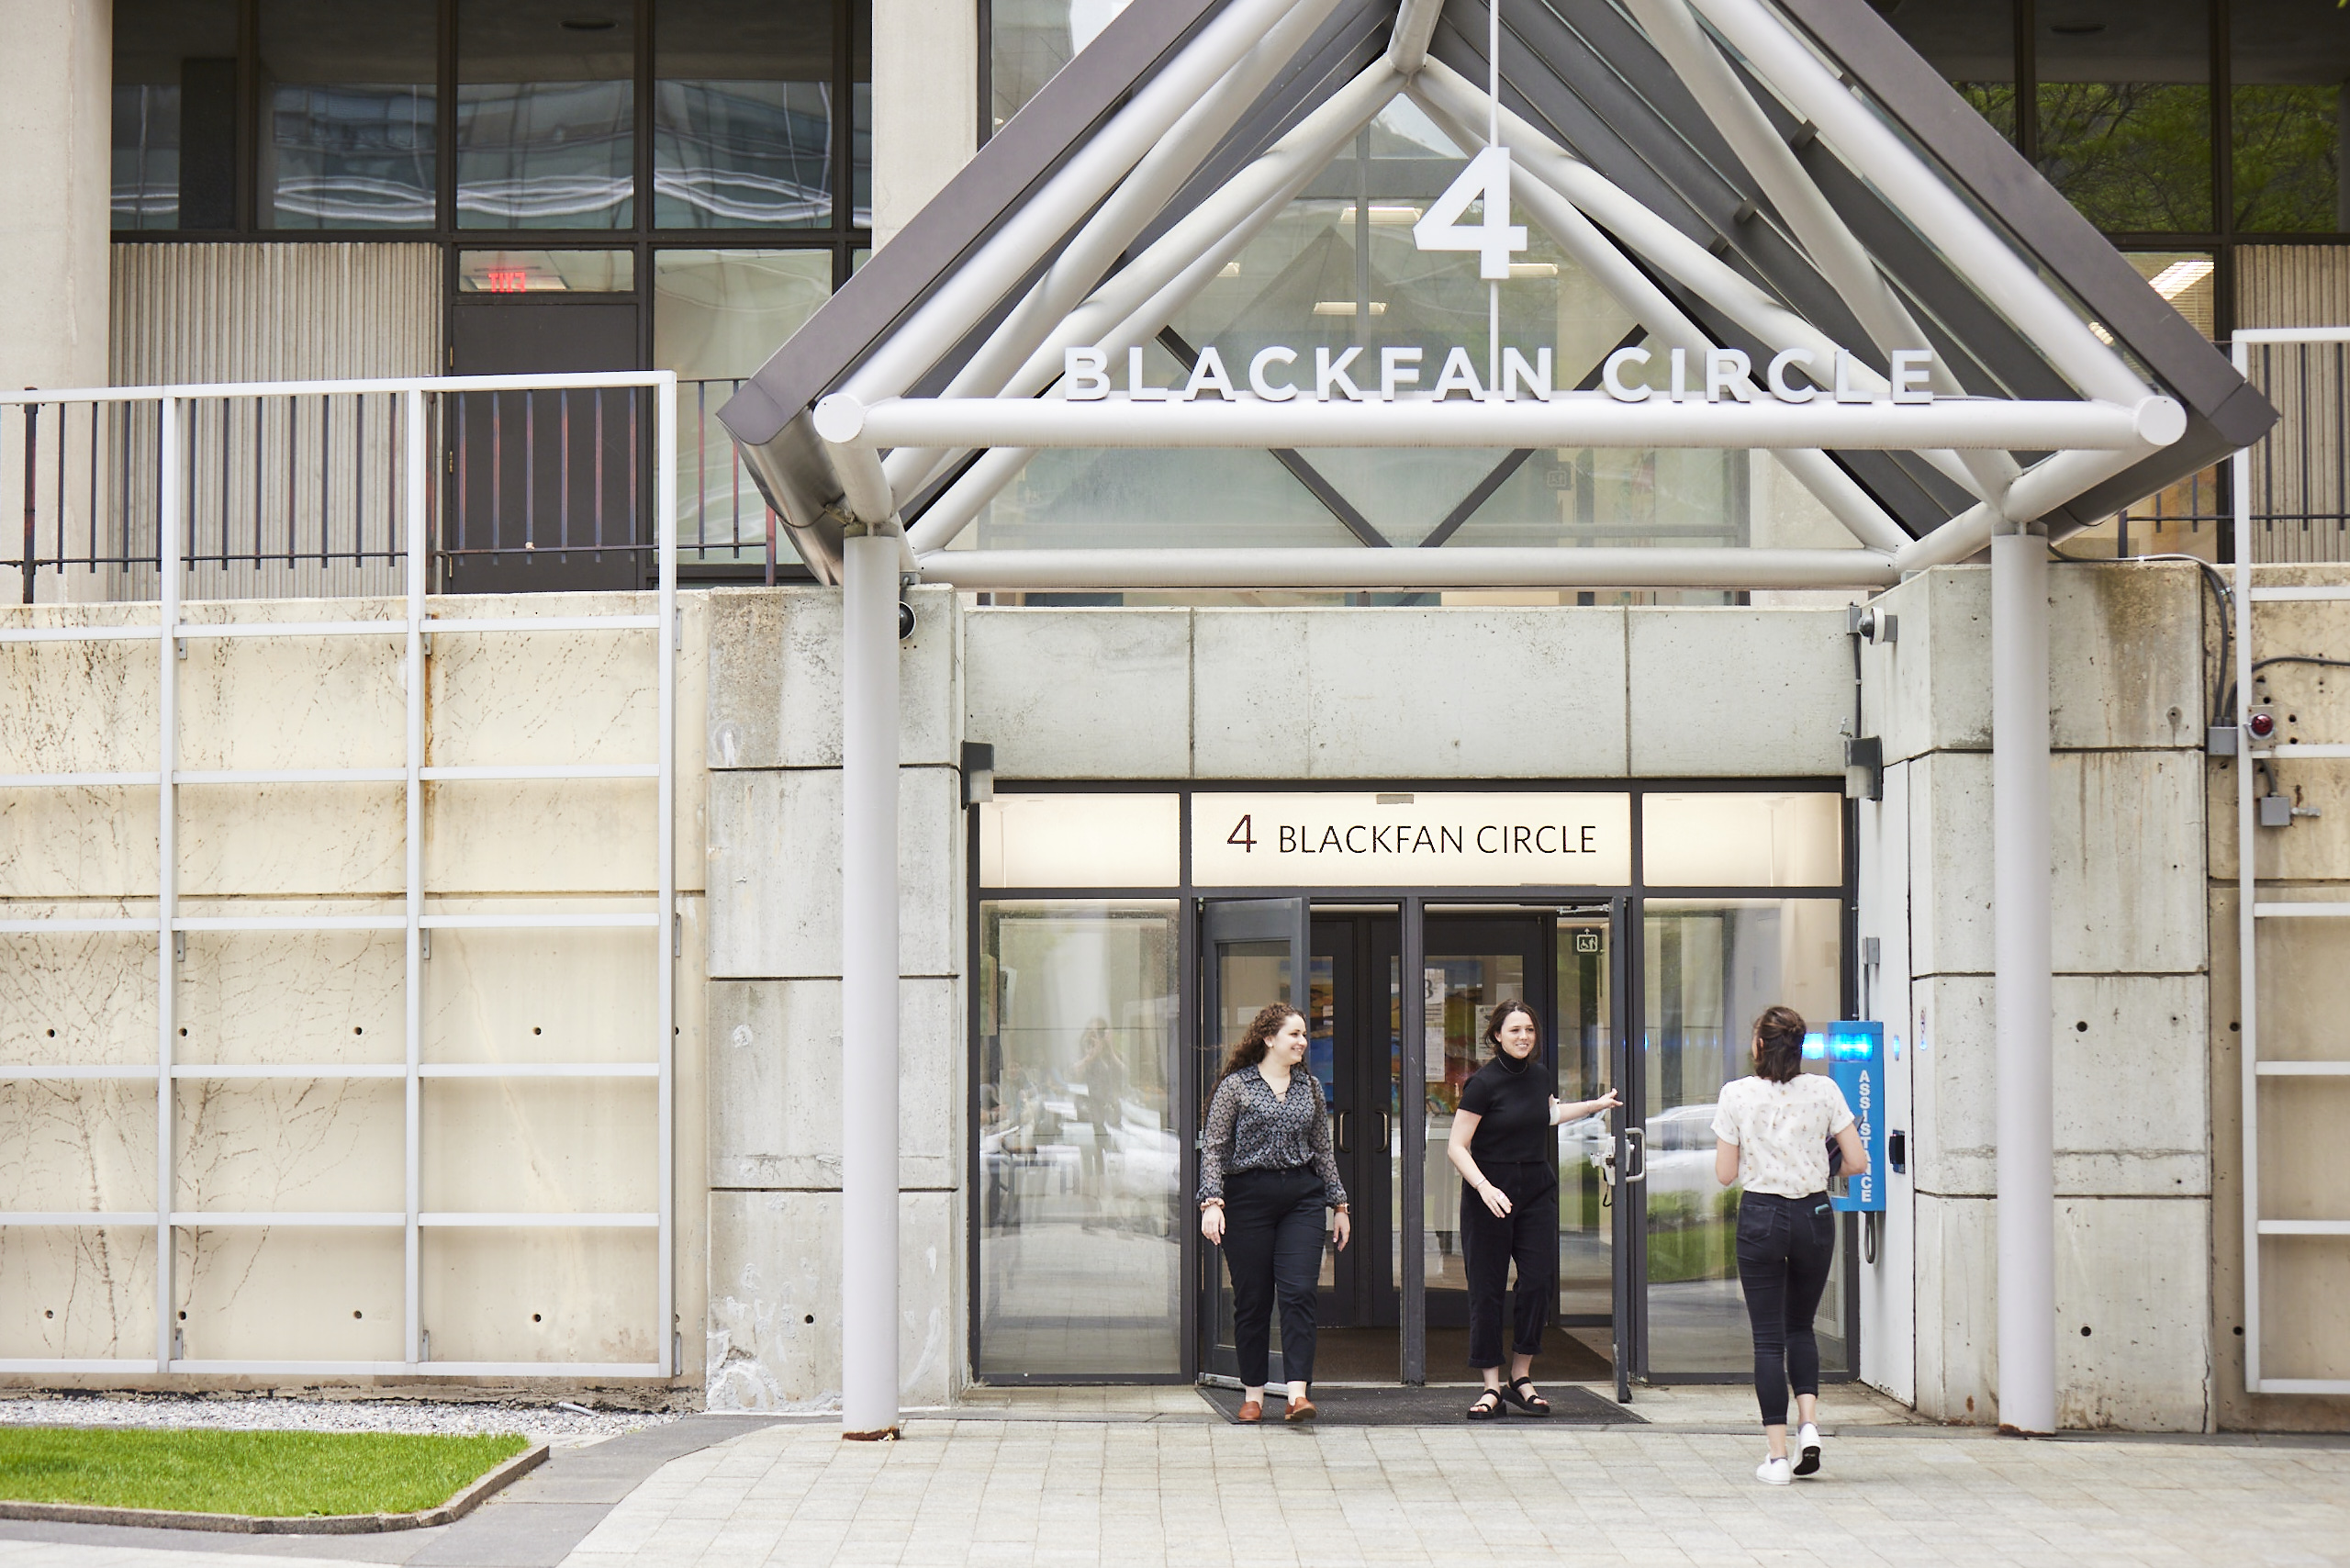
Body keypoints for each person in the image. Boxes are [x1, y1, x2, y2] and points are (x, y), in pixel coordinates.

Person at [1712, 1003, 1868, 1484]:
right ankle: (1810, 1425)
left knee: (1767, 1339)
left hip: (1761, 1215)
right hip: (1813, 1214)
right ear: (1799, 1048)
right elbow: (1858, 1162)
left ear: (1759, 1044)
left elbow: (1724, 1174)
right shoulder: (1825, 1090)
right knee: (1801, 1327)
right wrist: (1819, 1167)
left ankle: (1777, 1458)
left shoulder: (1736, 1095)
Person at [1447, 999, 1621, 1419]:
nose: (1523, 1036)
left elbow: (1548, 1115)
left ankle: (1519, 1377)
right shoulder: (1482, 1084)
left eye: (1529, 1029)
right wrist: (1484, 1187)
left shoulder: (1539, 1075)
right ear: (1496, 1036)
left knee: (1538, 1282)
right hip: (1490, 1194)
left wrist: (1594, 1105)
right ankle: (1490, 1386)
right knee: (1486, 1290)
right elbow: (1457, 1145)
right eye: (1514, 1030)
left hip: (1536, 1191)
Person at [1198, 1002, 1350, 1424]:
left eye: (1305, 1035)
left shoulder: (1310, 1088)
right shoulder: (1236, 1086)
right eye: (1295, 1035)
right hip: (1248, 1198)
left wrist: (1339, 1204)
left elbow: (1323, 1149)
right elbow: (1212, 1147)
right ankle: (1253, 1394)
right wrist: (1211, 1202)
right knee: (1253, 1299)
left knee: (1299, 1291)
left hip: (1301, 1197)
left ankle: (1297, 1394)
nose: (1303, 1042)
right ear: (1269, 1039)